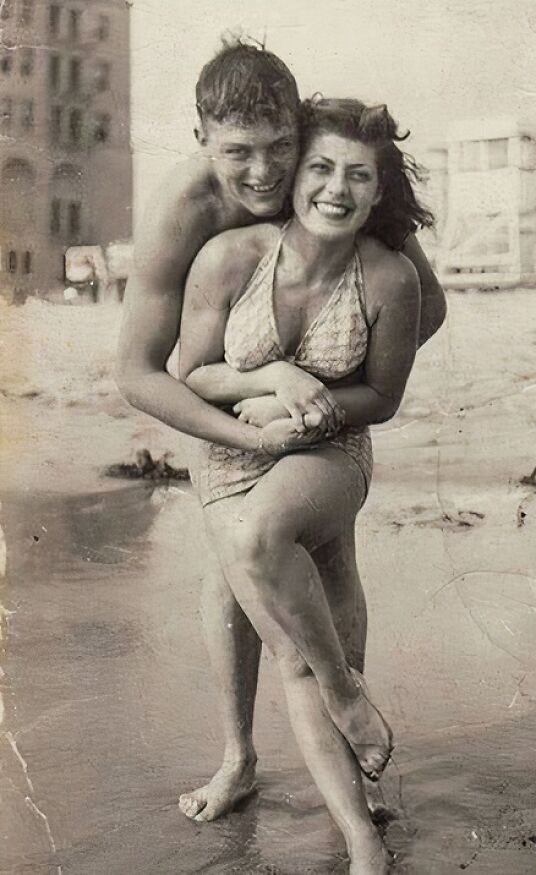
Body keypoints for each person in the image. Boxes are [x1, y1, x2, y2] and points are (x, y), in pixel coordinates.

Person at [116, 38, 446, 823]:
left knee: (333, 562)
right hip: (228, 401)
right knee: (230, 570)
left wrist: (325, 392)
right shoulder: (186, 208)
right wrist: (250, 418)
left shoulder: (329, 172)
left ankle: (354, 765)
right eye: (238, 153)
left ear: (299, 132)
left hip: (320, 409)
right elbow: (138, 371)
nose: (263, 174)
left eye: (278, 150)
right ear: (202, 140)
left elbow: (423, 307)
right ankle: (238, 757)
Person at [177, 94, 431, 874]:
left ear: (380, 188)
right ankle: (294, 758)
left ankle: (358, 815)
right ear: (294, 176)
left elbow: (380, 400)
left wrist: (304, 416)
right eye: (321, 167)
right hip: (226, 454)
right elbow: (188, 373)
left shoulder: (389, 277)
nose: (336, 188)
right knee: (261, 606)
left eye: (359, 174)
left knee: (270, 566)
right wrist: (276, 376)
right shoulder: (232, 256)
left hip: (329, 449)